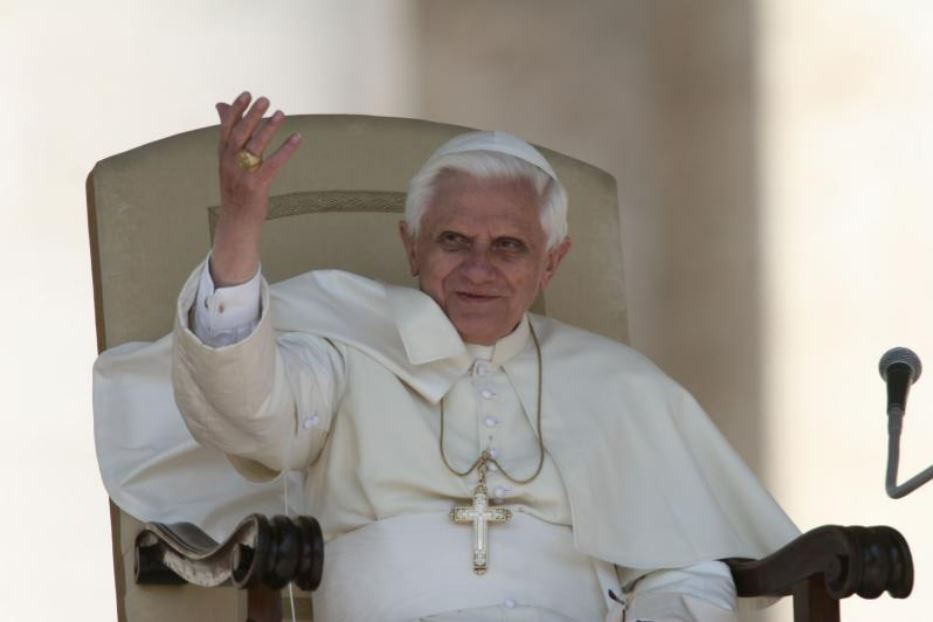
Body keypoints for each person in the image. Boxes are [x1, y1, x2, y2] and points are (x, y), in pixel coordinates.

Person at [172, 91, 798, 621]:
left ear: (551, 262)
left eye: (508, 246)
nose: (479, 269)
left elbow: (685, 567)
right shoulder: (342, 351)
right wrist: (240, 228)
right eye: (453, 240)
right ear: (411, 246)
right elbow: (245, 414)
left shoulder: (617, 384)